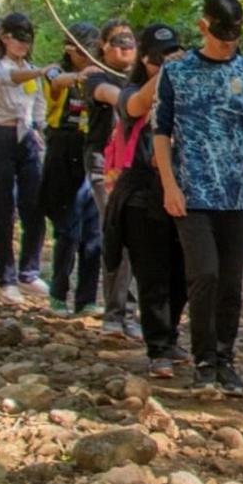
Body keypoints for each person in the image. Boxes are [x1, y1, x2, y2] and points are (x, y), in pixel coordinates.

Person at [154, 0, 243, 395]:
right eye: (221, 34)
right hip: (192, 194)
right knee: (203, 274)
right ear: (204, 26)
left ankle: (225, 358)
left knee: (230, 283)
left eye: (234, 35)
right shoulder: (177, 73)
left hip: (236, 196)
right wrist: (170, 185)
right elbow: (161, 132)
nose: (228, 42)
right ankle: (203, 358)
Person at [101, 23, 190, 378]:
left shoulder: (188, 92)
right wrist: (169, 72)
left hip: (182, 192)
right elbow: (136, 107)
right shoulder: (134, 90)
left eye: (170, 57)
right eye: (157, 59)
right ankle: (158, 348)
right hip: (140, 195)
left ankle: (169, 336)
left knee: (183, 274)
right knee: (152, 274)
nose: (164, 64)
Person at [0, 12, 58, 303]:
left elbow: (38, 103)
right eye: (18, 38)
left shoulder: (31, 69)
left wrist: (40, 130)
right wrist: (39, 73)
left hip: (27, 138)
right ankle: (6, 277)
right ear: (4, 38)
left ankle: (29, 272)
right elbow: (9, 80)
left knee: (34, 206)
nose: (23, 45)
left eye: (28, 39)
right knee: (3, 208)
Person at [83, 19, 141, 339]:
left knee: (136, 239)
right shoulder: (96, 77)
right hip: (104, 165)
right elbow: (110, 95)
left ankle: (126, 311)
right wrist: (138, 97)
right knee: (118, 233)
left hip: (137, 167)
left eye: (130, 40)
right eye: (117, 40)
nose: (125, 45)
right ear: (104, 45)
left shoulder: (142, 78)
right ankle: (116, 313)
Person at [40, 22, 103, 316]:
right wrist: (79, 76)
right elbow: (55, 82)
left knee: (94, 230)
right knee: (68, 227)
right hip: (62, 148)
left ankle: (87, 298)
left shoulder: (103, 73)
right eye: (84, 49)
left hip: (91, 148)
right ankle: (58, 292)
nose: (90, 55)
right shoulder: (56, 70)